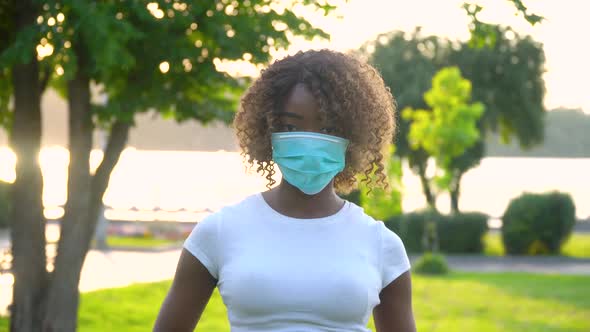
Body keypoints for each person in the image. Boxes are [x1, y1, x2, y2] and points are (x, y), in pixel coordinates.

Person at [153, 49, 415, 332]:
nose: (310, 140)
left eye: (328, 129)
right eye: (291, 125)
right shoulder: (220, 231)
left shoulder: (380, 244)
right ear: (268, 130)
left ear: (352, 136)